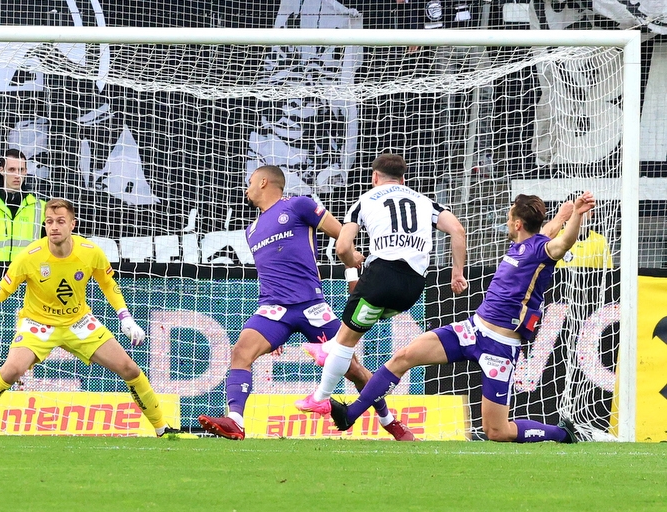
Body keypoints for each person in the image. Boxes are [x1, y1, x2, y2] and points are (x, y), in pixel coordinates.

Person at [325, 192, 596, 444]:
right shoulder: (529, 243)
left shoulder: (542, 251)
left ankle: (562, 435)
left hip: (500, 347)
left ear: (516, 224)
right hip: (472, 330)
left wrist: (576, 216)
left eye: (509, 216)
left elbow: (562, 243)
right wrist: (561, 216)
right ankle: (351, 414)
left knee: (497, 431)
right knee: (403, 357)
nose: (506, 220)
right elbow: (548, 233)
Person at [196, 165, 410, 441]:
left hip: (312, 307)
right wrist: (273, 334)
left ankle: (390, 423)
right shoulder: (251, 230)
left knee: (353, 368)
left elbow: (341, 233)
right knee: (241, 352)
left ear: (263, 182)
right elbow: (271, 272)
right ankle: (235, 420)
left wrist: (353, 258)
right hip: (273, 309)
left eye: (249, 182)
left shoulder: (299, 205)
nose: (246, 189)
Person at [0, 198, 187, 437]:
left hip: (78, 322)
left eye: (60, 221)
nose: (54, 227)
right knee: (11, 370)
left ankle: (162, 429)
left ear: (72, 224)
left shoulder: (90, 252)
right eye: (49, 222)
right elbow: (3, 290)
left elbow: (109, 285)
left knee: (129, 368)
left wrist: (126, 318)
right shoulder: (30, 256)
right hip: (38, 324)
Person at [296, 154, 467, 433]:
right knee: (350, 333)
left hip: (381, 277)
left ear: (375, 177)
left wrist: (352, 260)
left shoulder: (365, 200)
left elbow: (341, 248)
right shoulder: (425, 202)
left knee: (345, 342)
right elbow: (458, 230)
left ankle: (321, 397)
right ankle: (327, 350)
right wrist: (457, 273)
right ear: (403, 178)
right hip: (412, 289)